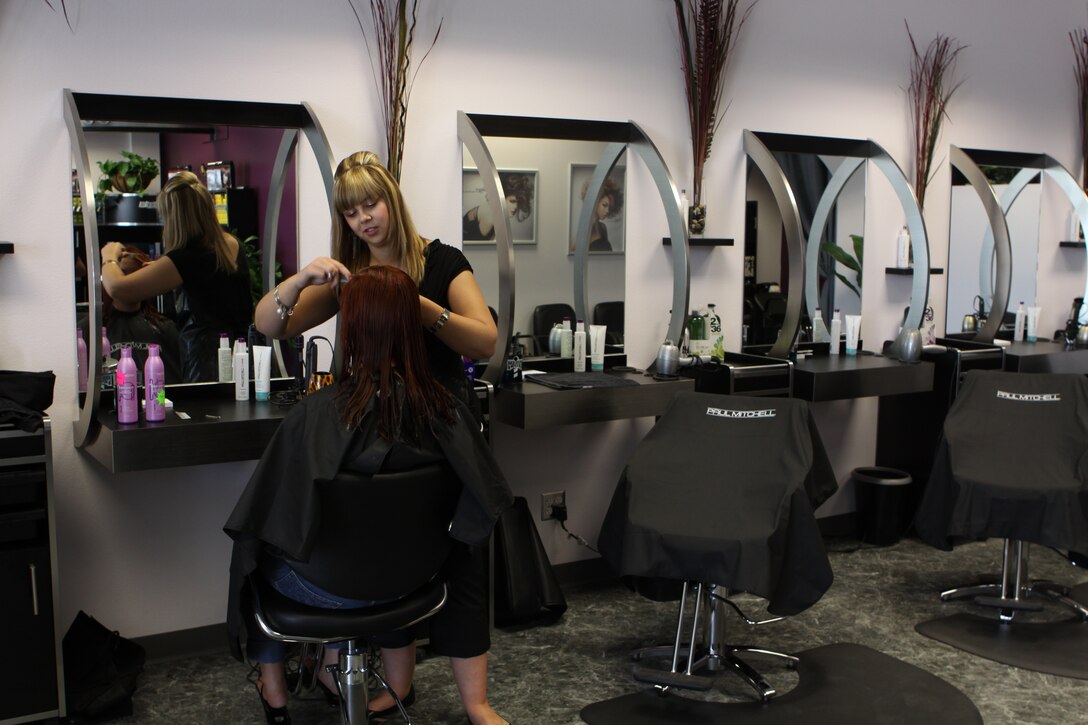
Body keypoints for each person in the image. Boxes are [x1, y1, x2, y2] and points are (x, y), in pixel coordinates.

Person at [226, 266, 513, 725]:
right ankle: (341, 665)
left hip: (328, 590)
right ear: (411, 325)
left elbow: (266, 520)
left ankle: (275, 686)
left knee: (257, 547)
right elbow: (481, 506)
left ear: (352, 326)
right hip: (415, 582)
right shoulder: (447, 409)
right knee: (369, 549)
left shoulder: (315, 415)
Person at [254, 150, 497, 406]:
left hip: (441, 414)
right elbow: (267, 325)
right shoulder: (349, 275)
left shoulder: (444, 261)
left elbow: (485, 344)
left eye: (370, 204)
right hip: (375, 417)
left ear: (392, 200)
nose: (364, 218)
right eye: (351, 213)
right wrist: (299, 281)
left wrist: (419, 307)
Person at [100, 170, 253, 383]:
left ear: (175, 218)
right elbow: (208, 282)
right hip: (244, 359)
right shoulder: (228, 244)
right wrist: (160, 270)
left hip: (208, 367)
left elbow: (117, 288)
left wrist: (109, 257)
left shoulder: (187, 258)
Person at [462, 172, 534, 241]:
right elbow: (479, 249)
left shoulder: (495, 212)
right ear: (500, 198)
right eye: (512, 201)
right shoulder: (489, 216)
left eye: (518, 203)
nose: (515, 207)